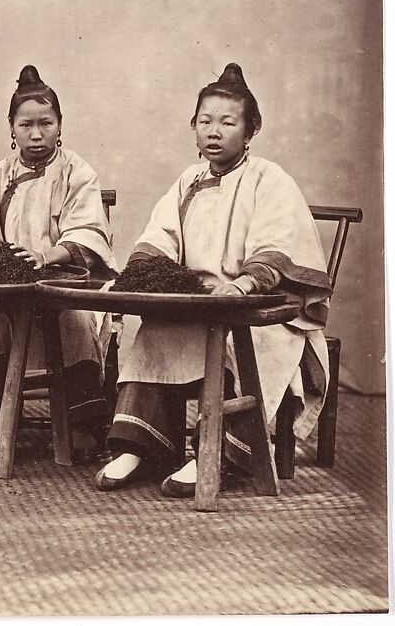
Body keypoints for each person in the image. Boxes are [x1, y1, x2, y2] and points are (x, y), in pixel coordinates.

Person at [94, 63, 332, 497]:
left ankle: (217, 454)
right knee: (154, 331)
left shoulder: (270, 180)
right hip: (198, 301)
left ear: (250, 129)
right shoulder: (189, 180)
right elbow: (159, 236)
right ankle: (140, 446)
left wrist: (241, 286)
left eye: (227, 122)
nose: (214, 131)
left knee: (234, 343)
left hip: (261, 308)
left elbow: (277, 247)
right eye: (205, 121)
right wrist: (145, 274)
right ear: (193, 126)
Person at [0, 65, 117, 460]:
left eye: (46, 123)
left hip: (62, 288)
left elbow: (89, 232)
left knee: (75, 321)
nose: (36, 134)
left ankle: (82, 425)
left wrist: (46, 256)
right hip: (8, 291)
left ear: (60, 125)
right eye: (26, 125)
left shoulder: (77, 172)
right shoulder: (0, 175)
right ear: (11, 128)